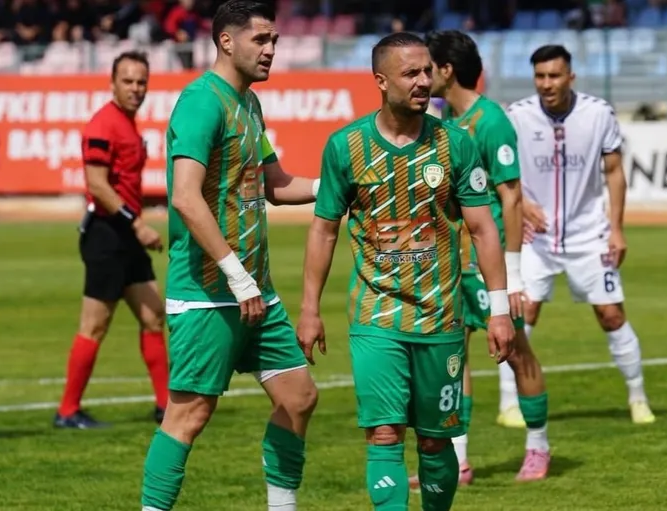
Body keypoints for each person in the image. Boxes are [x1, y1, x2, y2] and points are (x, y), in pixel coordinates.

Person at [296, 32, 516, 511]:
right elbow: (324, 231)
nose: (423, 81)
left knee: (436, 441)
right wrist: (309, 309)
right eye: (410, 73)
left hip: (441, 317)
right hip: (376, 315)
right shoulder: (345, 146)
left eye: (427, 71)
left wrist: (499, 310)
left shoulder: (455, 144)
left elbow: (483, 229)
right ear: (380, 80)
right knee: (384, 432)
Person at [139, 2, 321, 510]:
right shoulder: (202, 102)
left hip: (255, 291)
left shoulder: (249, 104)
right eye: (260, 39)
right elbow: (185, 197)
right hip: (209, 291)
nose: (270, 49)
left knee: (299, 397)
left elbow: (274, 184)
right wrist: (238, 277)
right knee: (188, 416)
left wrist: (335, 188)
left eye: (274, 40)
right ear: (225, 41)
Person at [409, 29, 551, 485]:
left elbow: (511, 197)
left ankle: (538, 447)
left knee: (517, 351)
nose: (423, 76)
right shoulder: (446, 119)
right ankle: (459, 460)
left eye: (428, 67)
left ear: (447, 70)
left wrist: (513, 274)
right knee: (454, 357)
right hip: (453, 261)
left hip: (491, 265)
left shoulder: (491, 122)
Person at [508, 45, 655, 425]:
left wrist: (617, 228)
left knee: (611, 314)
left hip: (589, 234)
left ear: (570, 77)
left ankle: (638, 397)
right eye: (540, 76)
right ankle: (510, 405)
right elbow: (499, 170)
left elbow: (615, 172)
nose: (546, 84)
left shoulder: (598, 113)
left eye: (554, 76)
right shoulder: (517, 116)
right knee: (522, 316)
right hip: (535, 238)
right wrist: (523, 203)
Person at [54, 51, 169, 429]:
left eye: (141, 82)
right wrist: (137, 225)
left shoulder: (128, 125)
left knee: (153, 316)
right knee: (94, 326)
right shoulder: (103, 124)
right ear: (113, 84)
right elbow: (97, 185)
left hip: (125, 233)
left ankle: (166, 407)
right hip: (107, 235)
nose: (136, 88)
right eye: (128, 81)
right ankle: (67, 411)